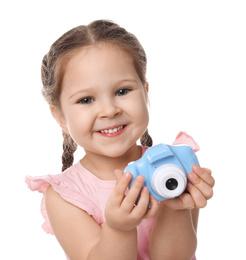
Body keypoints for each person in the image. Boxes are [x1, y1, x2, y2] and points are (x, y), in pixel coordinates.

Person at [26, 20, 215, 260]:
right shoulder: (65, 195)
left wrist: (174, 207)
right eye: (86, 100)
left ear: (146, 92)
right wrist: (118, 228)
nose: (109, 110)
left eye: (122, 91)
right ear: (59, 116)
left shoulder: (175, 165)